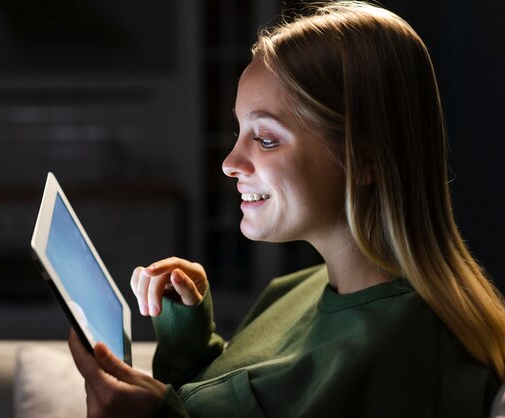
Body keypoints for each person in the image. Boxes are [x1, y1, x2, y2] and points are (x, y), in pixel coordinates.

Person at [68, 2, 505, 417]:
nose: (229, 163)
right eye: (240, 131)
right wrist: (188, 334)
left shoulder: (402, 354)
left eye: (266, 139)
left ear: (367, 158)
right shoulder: (298, 289)